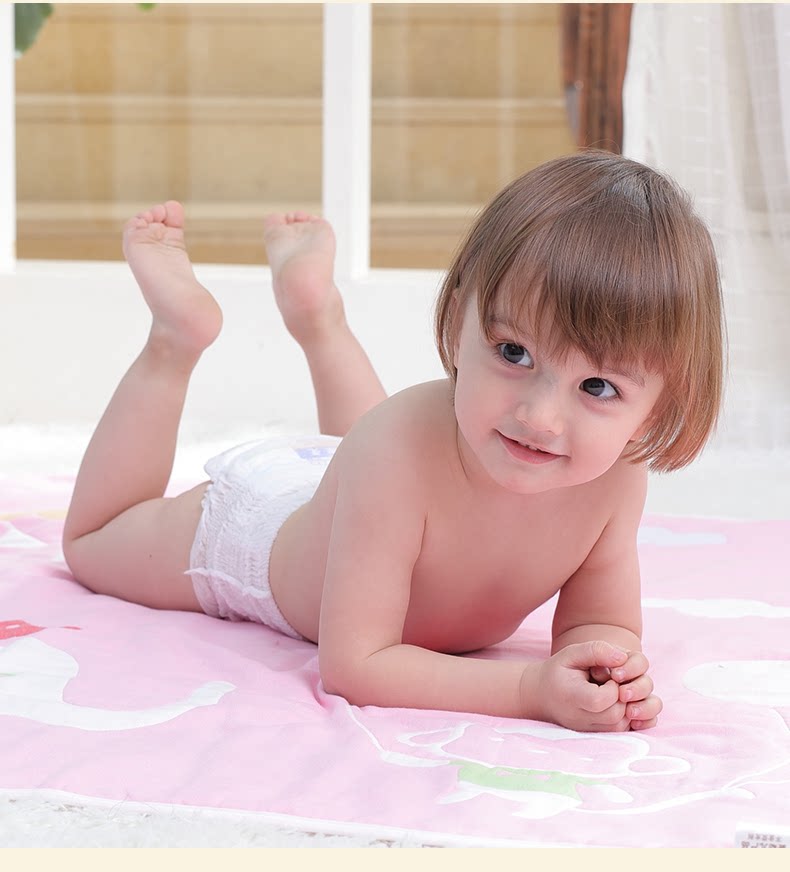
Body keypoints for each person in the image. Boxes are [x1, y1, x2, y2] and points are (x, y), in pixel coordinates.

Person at [62, 151, 725, 733]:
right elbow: (358, 664)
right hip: (263, 535)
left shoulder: (614, 480)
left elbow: (597, 623)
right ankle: (175, 339)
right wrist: (528, 689)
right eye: (514, 352)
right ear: (460, 319)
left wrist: (608, 670)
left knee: (387, 449)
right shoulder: (393, 451)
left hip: (364, 493)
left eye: (598, 388)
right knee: (94, 543)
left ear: (655, 410)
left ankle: (316, 313)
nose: (541, 417)